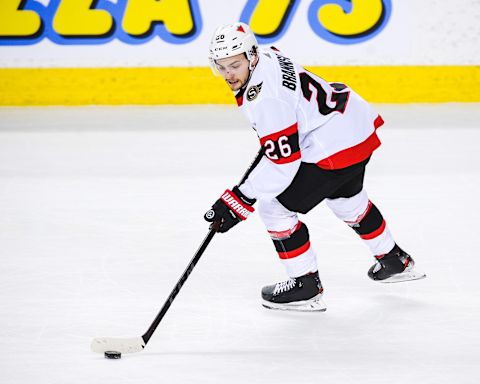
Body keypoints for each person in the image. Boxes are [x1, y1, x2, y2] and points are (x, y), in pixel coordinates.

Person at [204, 22, 425, 312]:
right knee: (347, 199)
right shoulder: (268, 54)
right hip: (351, 124)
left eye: (235, 64)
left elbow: (285, 164)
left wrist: (240, 199)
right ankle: (394, 260)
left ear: (251, 56)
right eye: (221, 66)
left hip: (332, 146)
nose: (229, 74)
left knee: (275, 210)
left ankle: (304, 286)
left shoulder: (265, 98)